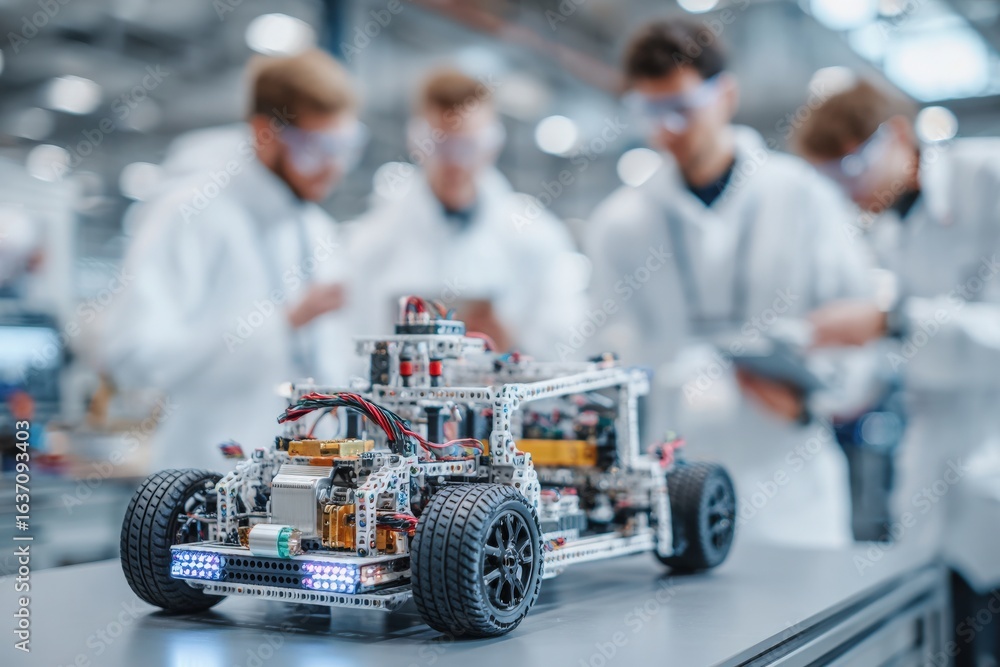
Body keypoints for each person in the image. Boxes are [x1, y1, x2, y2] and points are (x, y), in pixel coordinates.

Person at [584, 20, 875, 547]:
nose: (668, 129)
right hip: (674, 477)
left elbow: (858, 324)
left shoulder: (803, 196)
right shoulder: (619, 224)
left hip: (790, 481)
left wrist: (814, 403)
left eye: (682, 108)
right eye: (650, 112)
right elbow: (604, 351)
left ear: (726, 96)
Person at [794, 79, 1000, 664]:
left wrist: (894, 321)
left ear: (900, 135)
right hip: (938, 482)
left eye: (853, 165)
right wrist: (820, 383)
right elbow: (897, 360)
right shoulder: (887, 232)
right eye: (830, 177)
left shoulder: (989, 178)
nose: (848, 189)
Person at [101, 49, 366, 471]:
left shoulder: (318, 229)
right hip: (208, 480)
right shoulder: (193, 213)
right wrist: (280, 324)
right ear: (264, 133)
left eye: (344, 147)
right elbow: (132, 356)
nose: (333, 168)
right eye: (315, 148)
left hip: (308, 483)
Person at [346, 68, 585, 357]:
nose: (455, 163)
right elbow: (350, 347)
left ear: (492, 145)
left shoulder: (537, 237)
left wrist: (512, 348)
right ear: (416, 143)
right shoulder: (371, 241)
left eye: (467, 146)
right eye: (441, 146)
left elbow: (565, 341)